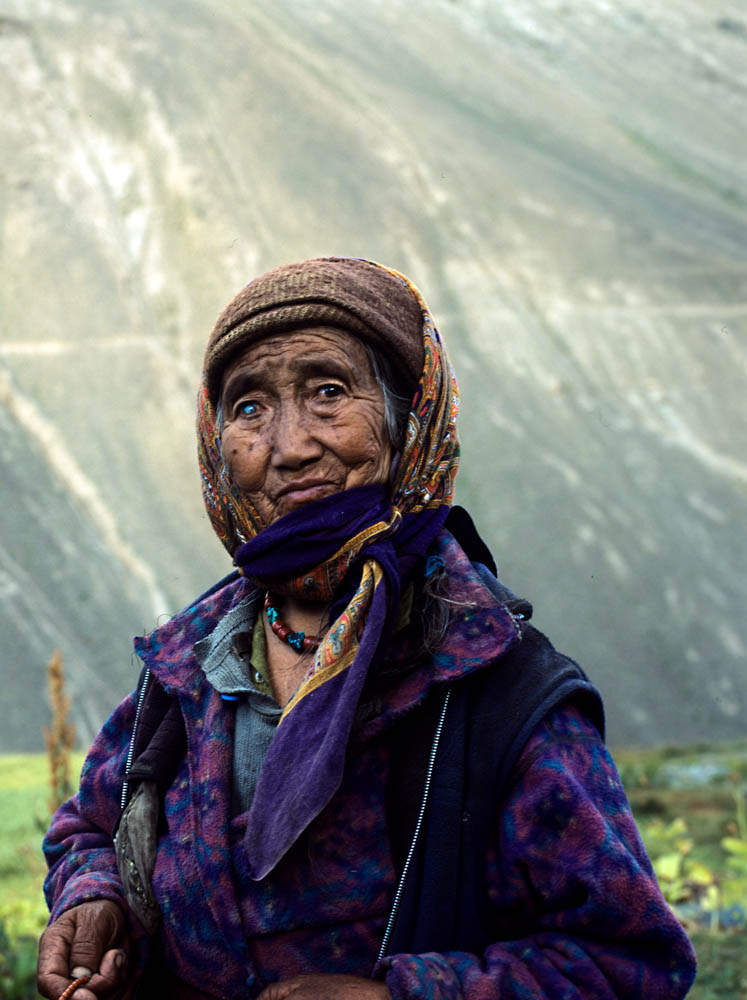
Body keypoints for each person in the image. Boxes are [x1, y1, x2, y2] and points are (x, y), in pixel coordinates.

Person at [37, 258, 696, 1000]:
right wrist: (94, 899)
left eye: (327, 393)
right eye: (249, 407)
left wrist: (402, 997)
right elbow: (89, 826)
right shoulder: (186, 664)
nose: (287, 447)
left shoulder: (496, 689)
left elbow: (628, 963)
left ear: (409, 418)